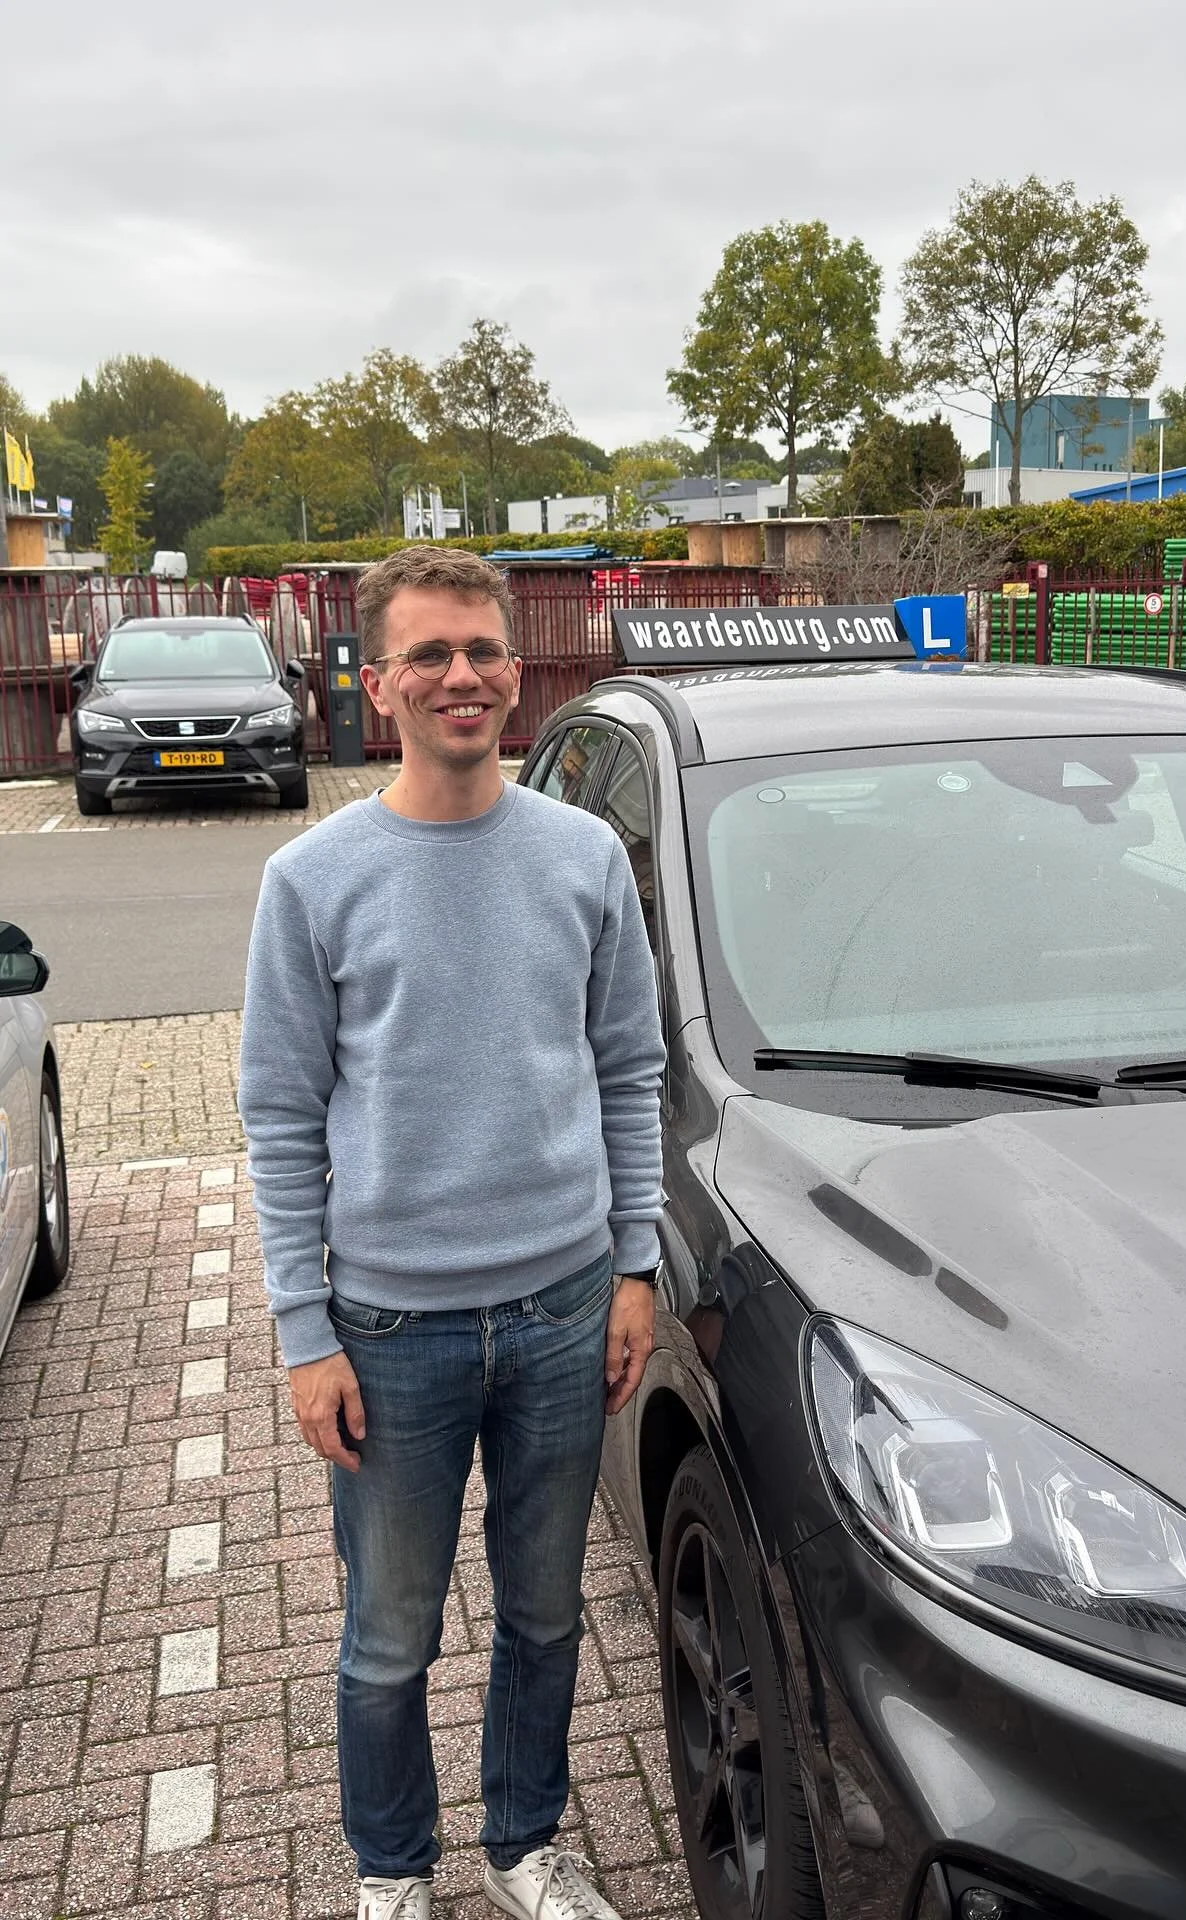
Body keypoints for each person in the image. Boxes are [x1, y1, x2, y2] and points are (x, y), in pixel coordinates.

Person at [238, 547, 665, 1920]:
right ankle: (393, 1871)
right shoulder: (312, 880)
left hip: (560, 1309)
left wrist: (637, 1264)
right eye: (428, 653)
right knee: (388, 1634)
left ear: (514, 664)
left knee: (546, 1615)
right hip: (390, 1331)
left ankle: (526, 1843)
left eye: (481, 649)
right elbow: (282, 1121)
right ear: (380, 681)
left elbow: (629, 1071)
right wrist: (307, 1337)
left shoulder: (584, 856)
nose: (462, 676)